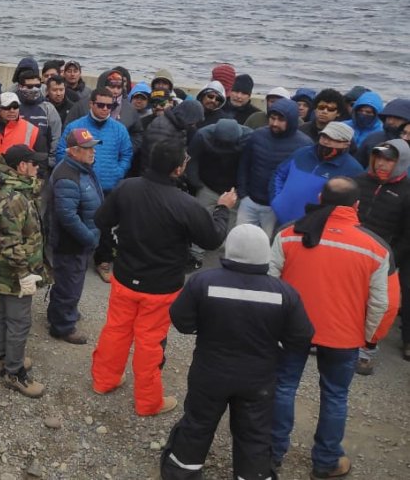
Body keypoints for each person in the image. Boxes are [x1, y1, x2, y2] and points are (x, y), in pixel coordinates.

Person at [91, 140, 236, 416]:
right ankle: (148, 402)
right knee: (150, 342)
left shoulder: (127, 187)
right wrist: (222, 208)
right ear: (178, 169)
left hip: (125, 276)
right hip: (160, 286)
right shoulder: (185, 204)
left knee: (116, 329)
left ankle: (104, 381)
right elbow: (212, 238)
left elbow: (102, 220)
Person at [160, 225, 313, 480]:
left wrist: (204, 328)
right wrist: (275, 346)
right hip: (258, 378)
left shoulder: (203, 282)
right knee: (254, 434)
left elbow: (181, 320)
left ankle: (181, 473)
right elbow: (302, 337)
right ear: (265, 254)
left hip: (210, 372)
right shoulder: (284, 293)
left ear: (228, 250)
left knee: (197, 424)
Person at [269, 178, 394, 479]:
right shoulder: (376, 248)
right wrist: (368, 337)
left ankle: (270, 454)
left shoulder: (288, 234)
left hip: (292, 330)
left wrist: (272, 325)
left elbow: (271, 282)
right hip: (344, 336)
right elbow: (381, 303)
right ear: (357, 206)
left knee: (283, 387)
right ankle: (326, 462)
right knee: (335, 395)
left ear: (320, 197)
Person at [0, 144, 51, 398]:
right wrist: (24, 274)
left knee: (6, 315)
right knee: (19, 321)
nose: (38, 168)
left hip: (10, 271)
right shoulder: (13, 199)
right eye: (34, 164)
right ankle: (15, 373)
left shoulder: (20, 192)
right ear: (22, 166)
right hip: (13, 272)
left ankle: (3, 359)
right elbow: (9, 242)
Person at [59, 87, 133, 282]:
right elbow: (61, 152)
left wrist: (118, 172)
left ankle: (103, 261)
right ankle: (77, 261)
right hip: (81, 186)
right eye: (100, 104)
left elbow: (126, 154)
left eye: (110, 105)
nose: (105, 109)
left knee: (106, 226)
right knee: (79, 223)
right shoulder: (76, 127)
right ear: (91, 104)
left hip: (108, 187)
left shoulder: (119, 129)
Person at [353, 139, 410, 372]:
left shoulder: (407, 192)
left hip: (385, 259)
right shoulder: (358, 181)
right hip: (353, 252)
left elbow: (407, 235)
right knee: (348, 299)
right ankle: (332, 340)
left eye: (389, 159)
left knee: (379, 306)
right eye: (379, 158)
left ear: (401, 162)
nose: (382, 164)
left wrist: (389, 260)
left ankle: (366, 351)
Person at [43, 128, 104, 345]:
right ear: (73, 151)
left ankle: (60, 314)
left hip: (80, 240)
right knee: (69, 284)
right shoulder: (67, 176)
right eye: (87, 148)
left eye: (92, 147)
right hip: (71, 243)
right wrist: (89, 237)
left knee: (70, 281)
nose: (92, 152)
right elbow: (67, 216)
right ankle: (63, 326)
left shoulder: (82, 168)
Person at [236, 98, 310, 238]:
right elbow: (244, 165)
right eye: (272, 118)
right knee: (239, 238)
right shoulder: (257, 136)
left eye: (281, 120)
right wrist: (243, 193)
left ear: (292, 121)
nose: (275, 123)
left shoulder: (304, 145)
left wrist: (282, 204)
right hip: (249, 201)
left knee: (267, 247)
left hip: (275, 208)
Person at [270, 122, 363, 227]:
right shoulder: (302, 153)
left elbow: (347, 205)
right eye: (324, 136)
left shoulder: (353, 169)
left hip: (313, 228)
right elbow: (279, 174)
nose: (326, 142)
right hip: (280, 220)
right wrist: (277, 200)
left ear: (346, 144)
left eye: (333, 139)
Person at [14, 68, 62, 170]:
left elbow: (56, 137)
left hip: (40, 164)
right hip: (16, 164)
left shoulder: (48, 108)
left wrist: (50, 161)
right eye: (30, 86)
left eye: (37, 86)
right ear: (20, 86)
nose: (34, 89)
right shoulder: (13, 107)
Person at [0, 92, 41, 173]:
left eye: (15, 107)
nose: (12, 110)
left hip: (17, 184)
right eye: (7, 107)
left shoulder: (32, 130)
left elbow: (40, 161)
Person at [354, 98, 410, 166]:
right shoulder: (373, 139)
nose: (390, 122)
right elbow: (358, 165)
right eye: (388, 117)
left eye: (397, 118)